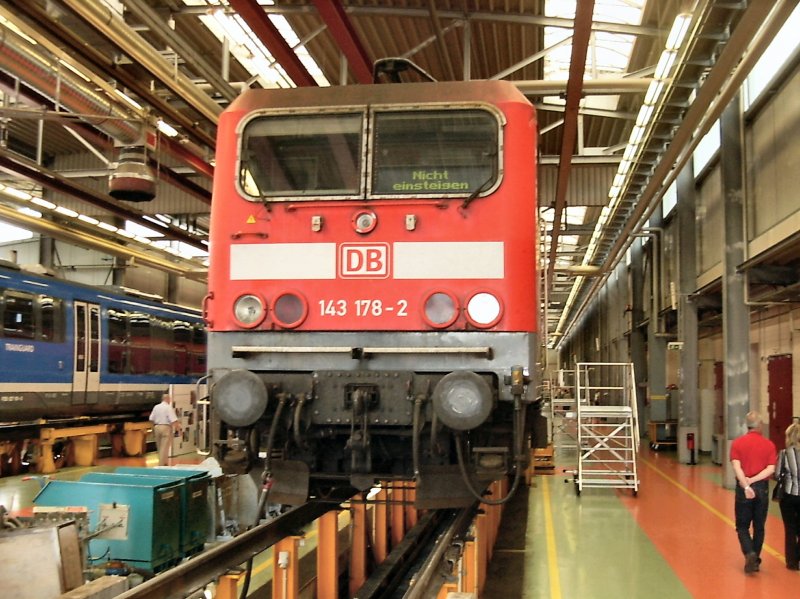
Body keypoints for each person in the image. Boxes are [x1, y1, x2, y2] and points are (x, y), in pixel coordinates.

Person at [730, 411, 777, 574]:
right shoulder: (769, 445)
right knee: (759, 526)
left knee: (742, 526)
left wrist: (746, 484)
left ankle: (749, 552)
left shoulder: (737, 443)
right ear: (760, 425)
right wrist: (755, 480)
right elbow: (771, 468)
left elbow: (736, 467)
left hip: (744, 489)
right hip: (762, 488)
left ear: (747, 425)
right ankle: (755, 558)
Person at [775, 422, 800, 570]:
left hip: (788, 496)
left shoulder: (784, 454)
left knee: (790, 528)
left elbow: (778, 474)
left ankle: (792, 562)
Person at [149, 393, 180, 466]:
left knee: (159, 447)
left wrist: (153, 428)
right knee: (164, 448)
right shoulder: (168, 407)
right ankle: (161, 465)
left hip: (157, 427)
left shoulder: (156, 407)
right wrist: (178, 429)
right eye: (169, 399)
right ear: (167, 399)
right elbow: (173, 420)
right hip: (166, 428)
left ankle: (164, 463)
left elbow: (151, 418)